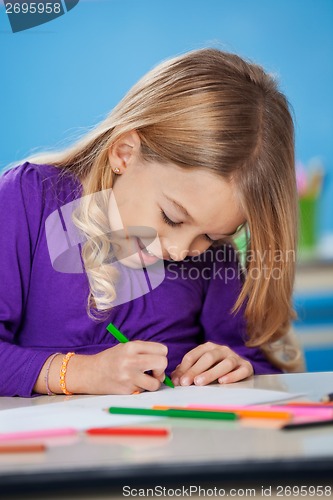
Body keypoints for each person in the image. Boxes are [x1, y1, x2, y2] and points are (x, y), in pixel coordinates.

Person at [0, 48, 303, 398]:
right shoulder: (26, 200)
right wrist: (78, 373)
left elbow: (260, 364)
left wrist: (236, 366)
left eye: (211, 235)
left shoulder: (212, 258)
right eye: (172, 217)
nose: (179, 250)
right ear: (125, 154)